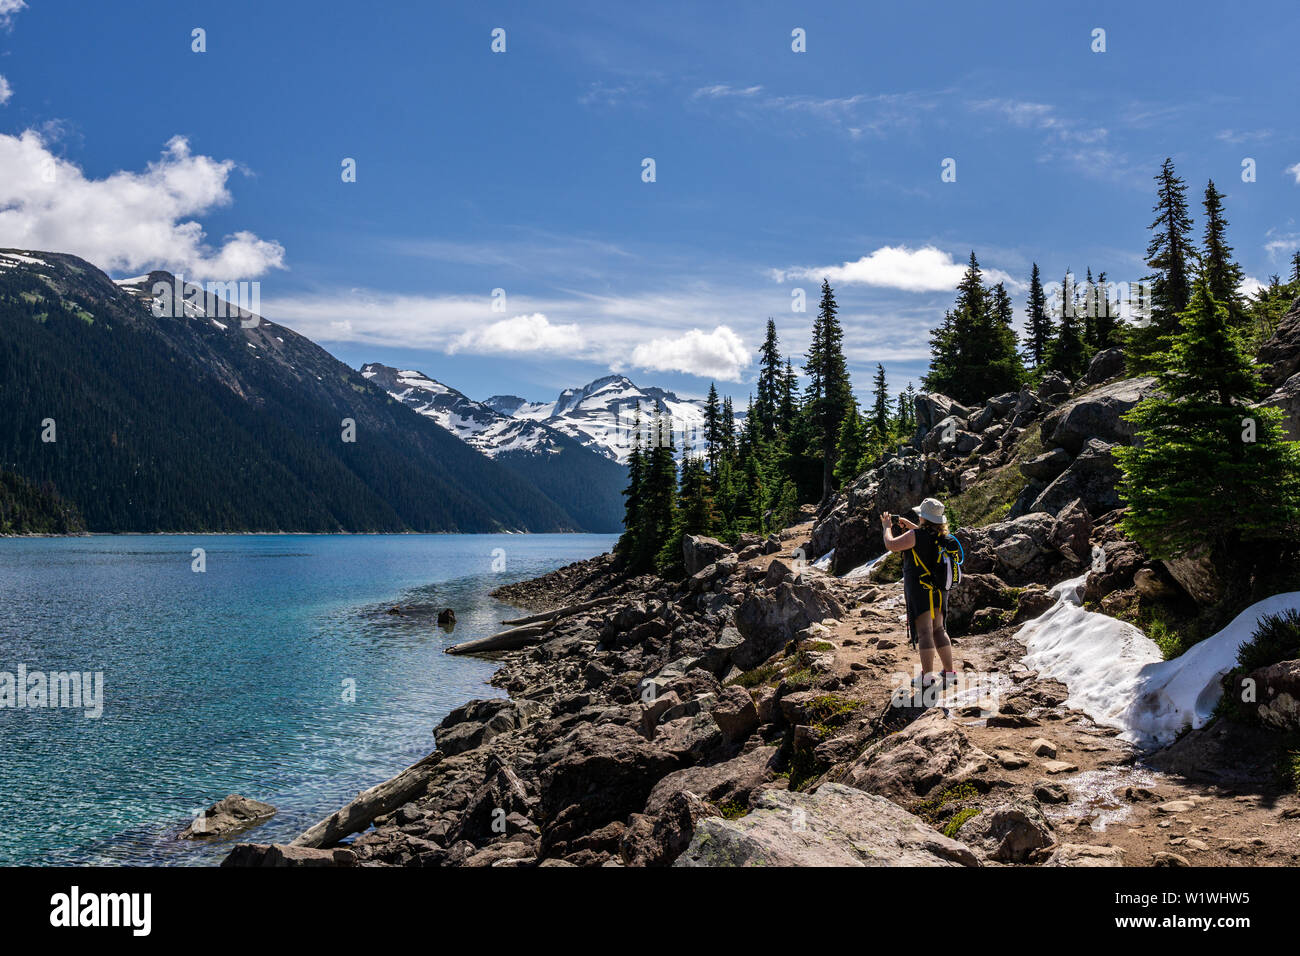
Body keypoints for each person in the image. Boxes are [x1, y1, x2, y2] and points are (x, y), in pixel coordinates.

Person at [881, 497, 959, 688]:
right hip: (940, 590)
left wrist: (886, 527)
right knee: (939, 629)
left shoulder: (915, 536)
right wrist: (911, 526)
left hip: (920, 589)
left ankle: (927, 676)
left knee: (924, 632)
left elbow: (891, 545)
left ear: (923, 517)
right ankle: (949, 672)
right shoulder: (943, 537)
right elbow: (926, 537)